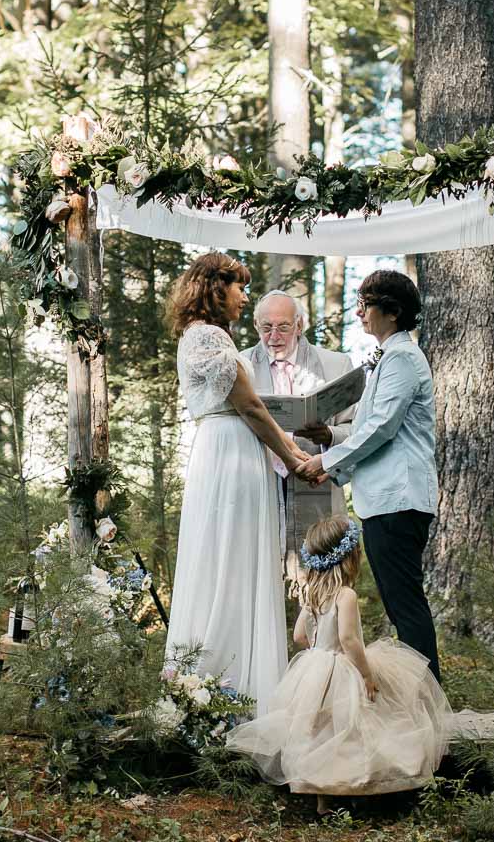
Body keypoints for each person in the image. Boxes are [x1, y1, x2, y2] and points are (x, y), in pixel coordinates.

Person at [164, 253, 322, 706]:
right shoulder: (208, 336)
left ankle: (220, 683)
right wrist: (292, 459)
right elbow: (250, 408)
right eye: (239, 287)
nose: (244, 296)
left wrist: (294, 451)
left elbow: (253, 409)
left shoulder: (203, 335)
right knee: (231, 556)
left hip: (227, 448)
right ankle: (229, 681)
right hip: (230, 454)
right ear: (216, 288)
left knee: (227, 555)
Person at [225, 515, 450, 804]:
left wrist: (318, 652)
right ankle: (355, 784)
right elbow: (349, 639)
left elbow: (299, 636)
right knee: (353, 728)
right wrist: (366, 674)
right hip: (343, 666)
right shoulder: (346, 595)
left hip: (314, 667)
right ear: (349, 558)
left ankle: (320, 794)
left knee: (318, 730)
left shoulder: (311, 593)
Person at [297, 269, 441, 680]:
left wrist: (325, 463)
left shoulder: (402, 359)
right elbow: (368, 426)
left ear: (392, 312)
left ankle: (429, 700)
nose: (359, 312)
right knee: (400, 605)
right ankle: (424, 697)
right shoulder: (390, 358)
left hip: (398, 498)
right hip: (386, 499)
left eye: (366, 304)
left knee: (405, 606)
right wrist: (329, 441)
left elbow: (382, 428)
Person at [240, 291, 356, 545]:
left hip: (317, 479)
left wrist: (328, 435)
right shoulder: (240, 366)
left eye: (283, 327)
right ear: (256, 325)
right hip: (259, 480)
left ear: (299, 325)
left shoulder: (336, 365)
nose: (274, 337)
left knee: (320, 557)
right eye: (266, 328)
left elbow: (357, 431)